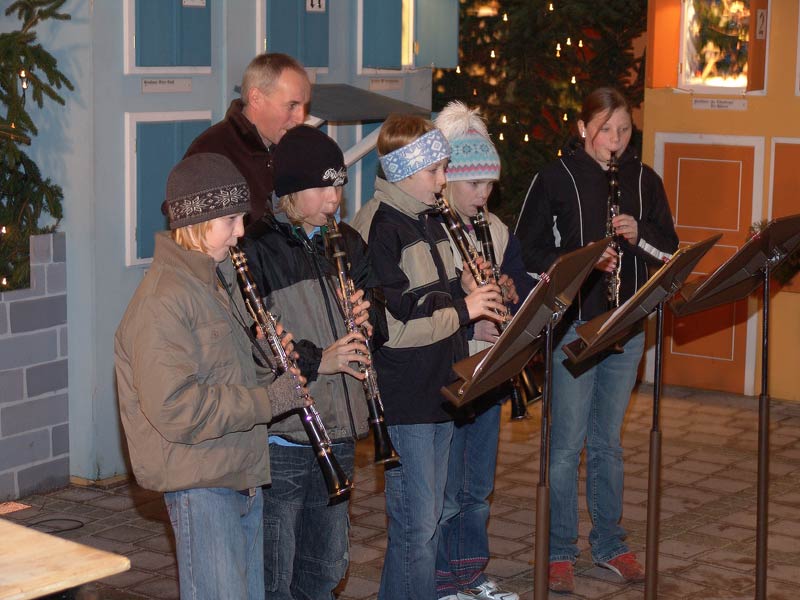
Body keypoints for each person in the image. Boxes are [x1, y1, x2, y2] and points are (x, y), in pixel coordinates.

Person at [114, 153, 309, 600]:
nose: (241, 232)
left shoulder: (213, 282)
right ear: (199, 221)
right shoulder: (163, 300)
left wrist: (264, 356)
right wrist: (270, 400)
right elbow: (177, 408)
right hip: (201, 485)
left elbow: (224, 372)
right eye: (231, 220)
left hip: (237, 471)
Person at [515, 87, 679, 593]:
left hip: (625, 327)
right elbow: (528, 251)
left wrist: (635, 236)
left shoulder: (643, 180)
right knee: (565, 446)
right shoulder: (554, 178)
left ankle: (610, 543)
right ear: (583, 127)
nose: (615, 141)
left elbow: (667, 252)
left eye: (624, 130)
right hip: (572, 330)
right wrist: (584, 259)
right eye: (606, 130)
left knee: (608, 444)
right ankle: (559, 550)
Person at [352, 114, 505, 600]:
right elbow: (393, 330)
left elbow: (429, 294)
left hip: (439, 387)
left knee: (426, 525)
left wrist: (463, 286)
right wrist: (466, 308)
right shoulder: (380, 228)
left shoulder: (429, 218)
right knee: (417, 529)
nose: (445, 180)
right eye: (437, 170)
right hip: (406, 397)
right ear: (404, 171)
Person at [241, 125, 378, 599]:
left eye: (339, 184)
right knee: (276, 571)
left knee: (326, 567)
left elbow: (373, 311)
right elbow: (256, 345)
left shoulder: (348, 242)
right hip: (286, 435)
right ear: (290, 191)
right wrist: (323, 360)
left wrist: (367, 319)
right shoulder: (256, 248)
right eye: (323, 186)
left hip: (339, 428)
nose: (334, 197)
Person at [433, 102, 534, 600]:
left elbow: (516, 286)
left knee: (478, 489)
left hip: (489, 374)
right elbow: (433, 305)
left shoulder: (494, 230)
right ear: (447, 180)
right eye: (474, 184)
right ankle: (442, 578)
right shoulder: (433, 231)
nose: (484, 194)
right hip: (454, 372)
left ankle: (470, 573)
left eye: (490, 184)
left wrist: (511, 296)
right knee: (448, 493)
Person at [185, 53, 311, 223]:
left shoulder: (296, 149)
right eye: (292, 105)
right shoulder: (210, 153)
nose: (300, 117)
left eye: (305, 107)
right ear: (256, 98)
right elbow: (194, 238)